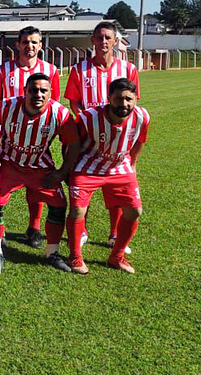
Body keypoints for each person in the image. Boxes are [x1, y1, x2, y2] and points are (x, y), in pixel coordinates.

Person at [0, 73, 77, 271]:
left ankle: (52, 253)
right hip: (8, 163)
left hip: (39, 166)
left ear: (51, 93)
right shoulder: (8, 106)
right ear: (24, 91)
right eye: (33, 90)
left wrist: (61, 172)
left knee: (59, 204)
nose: (38, 94)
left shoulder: (60, 114)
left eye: (43, 90)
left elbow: (74, 144)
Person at [52, 78, 149, 274]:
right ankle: (75, 257)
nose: (124, 104)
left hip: (120, 167)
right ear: (109, 98)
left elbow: (140, 141)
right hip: (88, 167)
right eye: (119, 99)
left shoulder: (142, 117)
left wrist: (133, 164)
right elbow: (71, 143)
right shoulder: (89, 117)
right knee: (78, 211)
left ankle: (117, 256)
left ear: (136, 99)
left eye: (129, 99)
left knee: (134, 211)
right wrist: (67, 170)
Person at [63, 21, 141, 250]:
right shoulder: (80, 69)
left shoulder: (128, 70)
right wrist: (87, 123)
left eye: (108, 37)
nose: (103, 41)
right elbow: (74, 101)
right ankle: (82, 230)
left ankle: (115, 233)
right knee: (80, 187)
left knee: (115, 185)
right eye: (99, 37)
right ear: (92, 40)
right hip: (86, 137)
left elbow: (133, 103)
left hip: (116, 137)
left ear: (116, 41)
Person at [0, 26, 61, 248]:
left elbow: (53, 104)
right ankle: (0, 233)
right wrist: (13, 114)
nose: (30, 46)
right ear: (18, 45)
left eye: (35, 42)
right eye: (26, 42)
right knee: (2, 187)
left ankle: (34, 229)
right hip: (7, 139)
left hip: (38, 139)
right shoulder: (4, 70)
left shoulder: (51, 69)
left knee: (36, 185)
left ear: (40, 45)